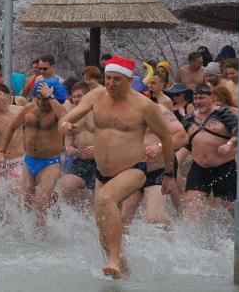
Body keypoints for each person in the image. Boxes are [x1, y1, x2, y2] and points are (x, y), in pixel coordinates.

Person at [59, 56, 175, 279]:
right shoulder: (96, 95)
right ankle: (124, 271)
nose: (111, 83)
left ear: (129, 80)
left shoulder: (144, 106)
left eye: (116, 79)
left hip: (134, 169)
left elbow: (167, 137)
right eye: (108, 78)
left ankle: (114, 259)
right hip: (103, 172)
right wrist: (65, 123)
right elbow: (70, 115)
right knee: (103, 233)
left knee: (105, 199)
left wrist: (169, 173)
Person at [0, 79, 67, 231]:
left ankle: (41, 232)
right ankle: (29, 229)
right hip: (29, 160)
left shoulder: (57, 110)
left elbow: (66, 117)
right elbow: (11, 127)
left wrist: (50, 97)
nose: (41, 102)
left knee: (40, 198)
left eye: (45, 99)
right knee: (26, 200)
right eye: (38, 98)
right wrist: (1, 151)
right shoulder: (29, 108)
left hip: (50, 162)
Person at [120, 103, 187, 229]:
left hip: (158, 169)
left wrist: (159, 147)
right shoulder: (115, 111)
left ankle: (175, 238)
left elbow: (182, 137)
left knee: (154, 218)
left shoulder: (157, 110)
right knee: (122, 220)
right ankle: (124, 248)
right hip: (132, 170)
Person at [178, 83, 238, 219]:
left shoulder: (223, 113)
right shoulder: (189, 119)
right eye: (196, 98)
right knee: (190, 206)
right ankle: (190, 239)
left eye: (201, 98)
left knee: (232, 208)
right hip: (199, 169)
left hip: (224, 168)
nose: (198, 101)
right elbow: (177, 137)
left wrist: (229, 144)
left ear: (211, 97)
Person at [57, 82, 96, 210]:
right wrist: (68, 146)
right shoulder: (72, 114)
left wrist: (99, 147)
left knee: (99, 200)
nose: (76, 99)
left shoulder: (98, 112)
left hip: (100, 162)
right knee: (66, 185)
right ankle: (79, 215)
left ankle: (92, 214)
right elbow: (68, 135)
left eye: (79, 96)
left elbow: (111, 135)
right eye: (73, 97)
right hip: (81, 161)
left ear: (88, 95)